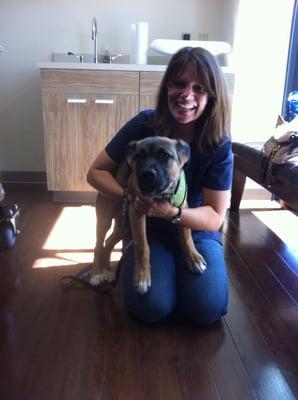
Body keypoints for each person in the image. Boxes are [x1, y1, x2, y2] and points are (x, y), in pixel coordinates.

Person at [87, 47, 233, 325]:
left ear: (211, 96)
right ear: (167, 86)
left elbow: (214, 217)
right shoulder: (145, 123)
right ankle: (140, 265)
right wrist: (130, 198)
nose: (186, 95)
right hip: (147, 230)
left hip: (195, 228)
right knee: (151, 306)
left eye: (199, 88)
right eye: (179, 83)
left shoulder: (217, 143)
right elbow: (95, 172)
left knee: (207, 308)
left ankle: (176, 274)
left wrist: (171, 213)